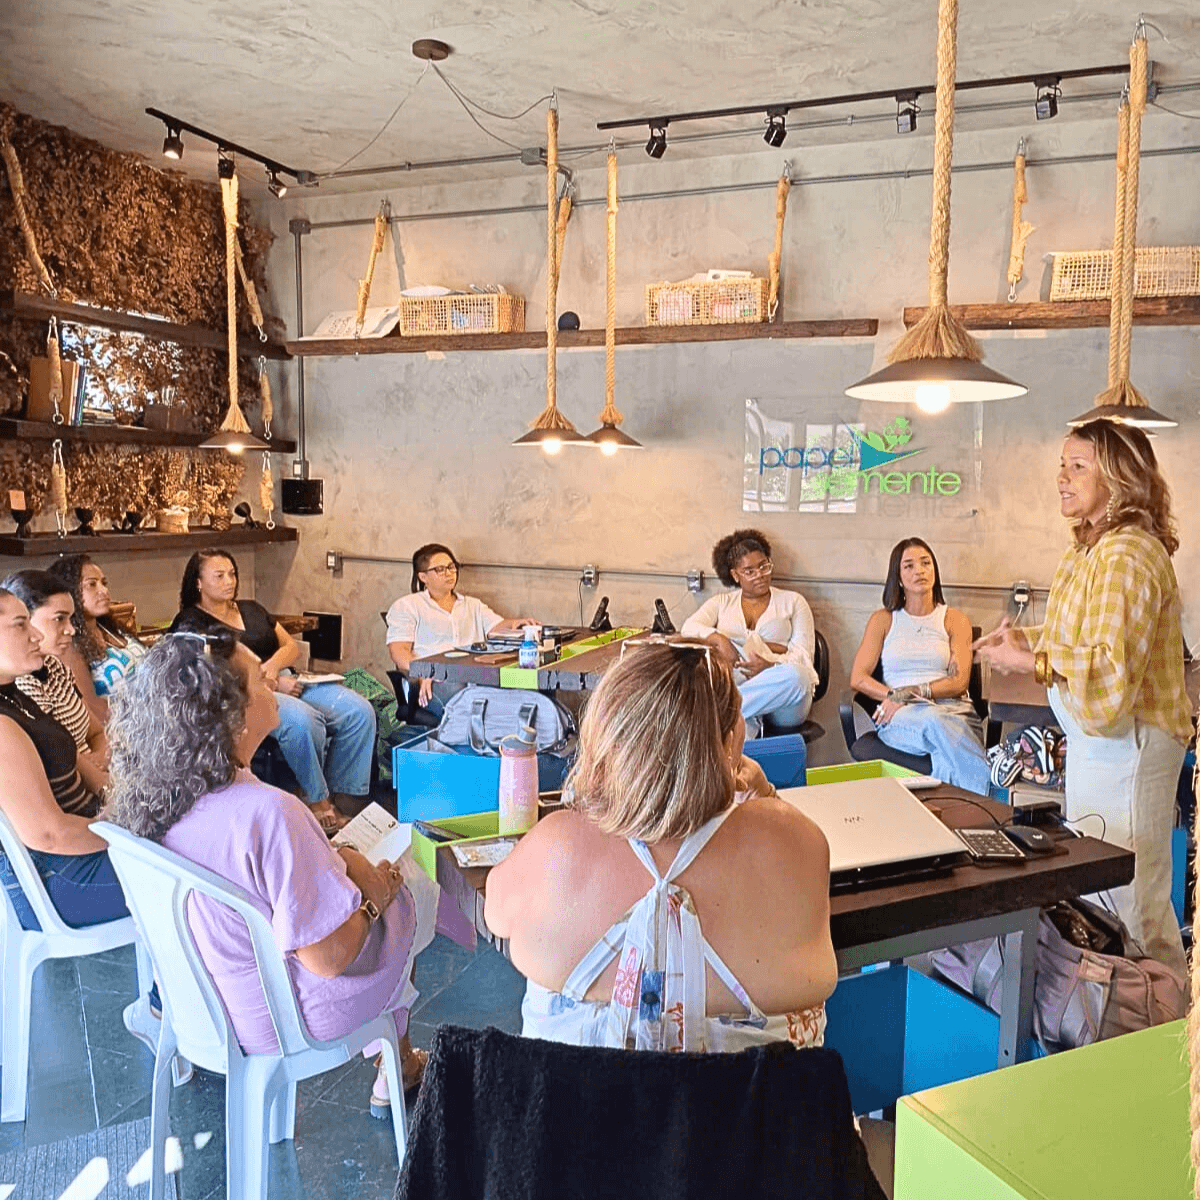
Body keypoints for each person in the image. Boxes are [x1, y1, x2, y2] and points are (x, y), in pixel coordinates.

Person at [104, 627, 437, 1113]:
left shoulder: (155, 798)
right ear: (233, 715)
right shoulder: (270, 812)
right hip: (287, 1017)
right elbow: (328, 959)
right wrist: (374, 897)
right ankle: (395, 1062)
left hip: (204, 1008)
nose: (273, 681)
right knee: (416, 892)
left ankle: (397, 1059)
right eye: (261, 677)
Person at [485, 640, 836, 1052]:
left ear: (609, 737)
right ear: (726, 743)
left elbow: (497, 913)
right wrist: (765, 800)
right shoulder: (794, 838)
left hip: (575, 1114)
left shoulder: (556, 842)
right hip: (761, 1115)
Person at [975, 419, 1191, 976]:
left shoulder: (1128, 553)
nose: (1062, 480)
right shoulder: (1088, 550)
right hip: (1103, 747)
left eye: (1078, 467)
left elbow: (1109, 665)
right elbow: (1081, 642)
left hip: (1131, 748)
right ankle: (1130, 1016)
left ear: (1119, 478)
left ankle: (1164, 1029)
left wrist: (1030, 661)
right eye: (1061, 466)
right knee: (1104, 894)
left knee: (1134, 902)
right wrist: (1030, 641)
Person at [172, 549, 376, 835]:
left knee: (358, 711)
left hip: (286, 679)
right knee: (304, 720)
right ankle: (318, 800)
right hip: (246, 692)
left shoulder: (251, 608)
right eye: (219, 576)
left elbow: (290, 646)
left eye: (232, 574)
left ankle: (343, 795)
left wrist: (271, 669)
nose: (229, 581)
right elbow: (207, 675)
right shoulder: (191, 623)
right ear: (198, 582)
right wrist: (268, 681)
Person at [0, 586, 122, 930]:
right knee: (199, 876)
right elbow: (48, 835)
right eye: (21, 625)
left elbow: (77, 757)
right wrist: (133, 834)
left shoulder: (15, 695)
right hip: (54, 880)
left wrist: (132, 805)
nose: (36, 635)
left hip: (71, 853)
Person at [848, 538, 990, 795]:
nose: (920, 571)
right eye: (909, 566)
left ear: (935, 570)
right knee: (937, 724)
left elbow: (959, 682)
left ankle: (947, 816)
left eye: (926, 563)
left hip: (954, 711)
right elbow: (858, 678)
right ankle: (987, 804)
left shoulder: (955, 620)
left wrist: (907, 692)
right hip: (903, 717)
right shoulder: (883, 620)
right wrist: (895, 697)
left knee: (944, 743)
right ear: (899, 578)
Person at [680, 529, 817, 736]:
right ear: (735, 575)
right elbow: (688, 628)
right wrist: (721, 639)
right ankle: (736, 718)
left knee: (798, 677)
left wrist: (770, 665)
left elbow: (804, 657)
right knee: (736, 711)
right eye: (750, 571)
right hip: (739, 685)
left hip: (784, 699)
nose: (760, 575)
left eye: (764, 566)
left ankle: (716, 715)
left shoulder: (794, 601)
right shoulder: (721, 602)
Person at [385, 543, 535, 718]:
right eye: (440, 569)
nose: (449, 573)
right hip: (434, 680)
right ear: (423, 576)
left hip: (477, 676)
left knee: (526, 684)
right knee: (479, 701)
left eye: (451, 567)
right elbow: (398, 652)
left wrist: (518, 624)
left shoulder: (472, 605)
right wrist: (422, 672)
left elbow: (496, 627)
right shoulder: (408, 606)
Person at [3, 569, 110, 797]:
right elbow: (67, 756)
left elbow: (97, 732)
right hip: (86, 798)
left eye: (71, 618)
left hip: (104, 776)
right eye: (59, 618)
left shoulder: (54, 666)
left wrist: (101, 758)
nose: (71, 629)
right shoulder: (21, 685)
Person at [47, 554, 149, 724]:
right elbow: (92, 706)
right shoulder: (68, 643)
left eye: (104, 583)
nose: (104, 591)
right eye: (91, 585)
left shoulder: (112, 627)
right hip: (124, 729)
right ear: (69, 591)